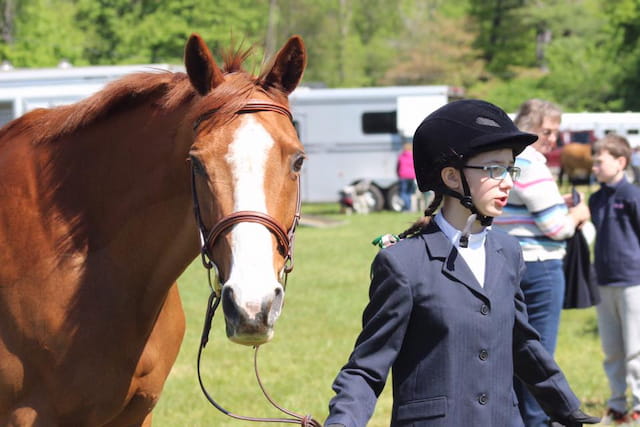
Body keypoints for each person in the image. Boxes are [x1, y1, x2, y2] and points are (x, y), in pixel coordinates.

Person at [324, 99, 598, 427]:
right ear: (452, 177)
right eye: (493, 169)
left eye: (510, 168)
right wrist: (341, 422)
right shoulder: (403, 264)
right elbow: (366, 368)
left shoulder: (509, 251)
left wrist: (569, 411)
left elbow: (523, 343)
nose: (508, 182)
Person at [492, 99, 591, 427]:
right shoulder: (531, 161)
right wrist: (576, 214)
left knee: (514, 354)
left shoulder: (503, 160)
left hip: (509, 264)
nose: (553, 138)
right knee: (538, 358)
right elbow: (557, 228)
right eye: (547, 131)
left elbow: (519, 209)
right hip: (541, 268)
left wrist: (554, 204)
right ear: (528, 127)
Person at [589, 134, 640, 424]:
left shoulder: (633, 196)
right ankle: (618, 405)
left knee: (635, 348)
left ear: (620, 162)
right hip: (603, 281)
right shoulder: (596, 199)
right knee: (612, 350)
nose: (594, 167)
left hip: (632, 281)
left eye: (600, 162)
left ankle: (639, 404)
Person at [397, 142, 417, 211]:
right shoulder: (413, 155)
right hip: (412, 176)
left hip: (403, 176)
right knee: (409, 192)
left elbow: (398, 166)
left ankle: (407, 207)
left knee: (403, 192)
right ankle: (409, 207)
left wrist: (398, 174)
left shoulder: (401, 156)